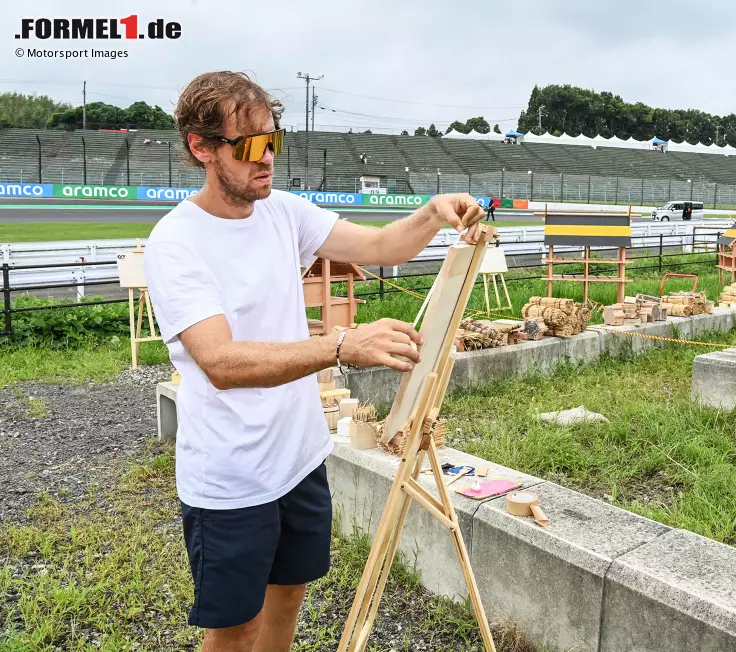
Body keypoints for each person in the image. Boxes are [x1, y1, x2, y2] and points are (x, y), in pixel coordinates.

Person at [142, 71, 485, 652]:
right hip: (231, 478)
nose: (266, 159)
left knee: (288, 599)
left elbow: (379, 247)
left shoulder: (283, 212)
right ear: (201, 148)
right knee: (235, 631)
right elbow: (220, 361)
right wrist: (341, 344)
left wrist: (430, 215)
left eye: (272, 141)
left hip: (298, 459)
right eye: (249, 146)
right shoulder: (176, 244)